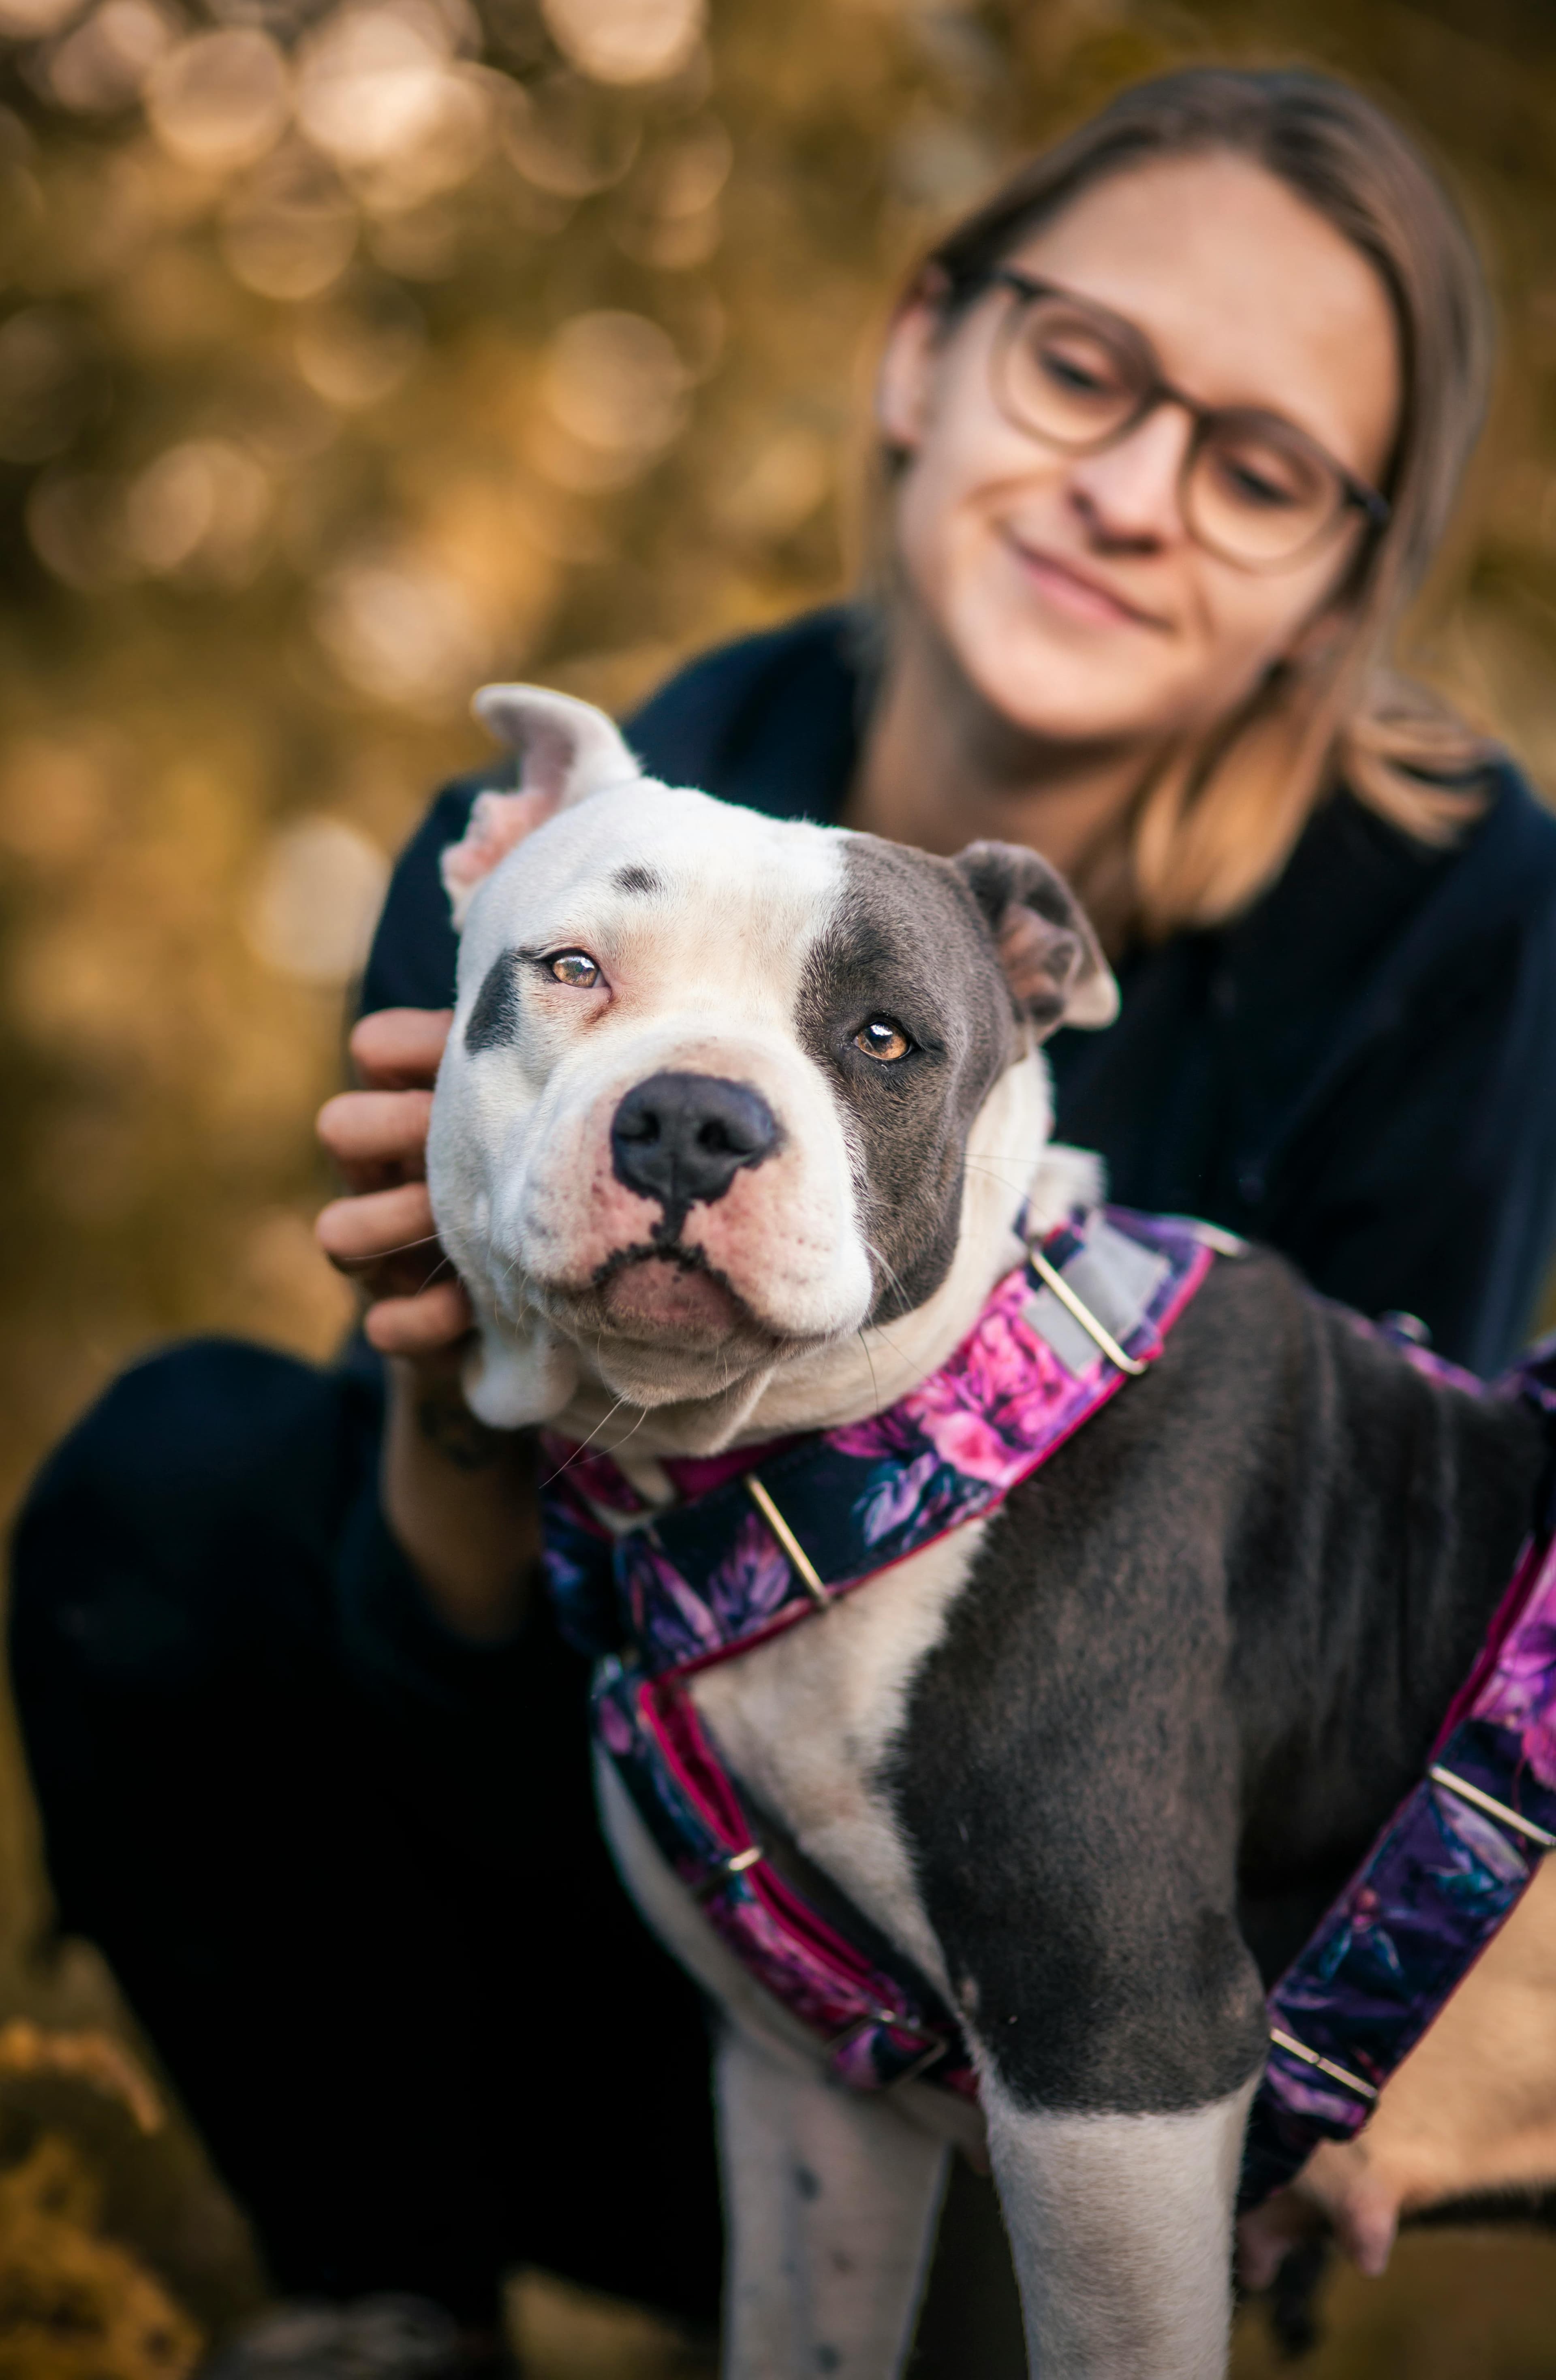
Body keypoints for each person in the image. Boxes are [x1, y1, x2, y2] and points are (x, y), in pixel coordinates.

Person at [12, 63, 1556, 2378]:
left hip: (1122, 1949)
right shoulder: (571, 847)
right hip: (594, 1889)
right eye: (1084, 365)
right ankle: (385, 2312)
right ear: (924, 350)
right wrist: (454, 1390)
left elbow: (1393, 1615)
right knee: (183, 1475)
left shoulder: (1444, 908)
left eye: (1256, 468)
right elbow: (427, 1684)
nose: (1134, 491)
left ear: (1343, 565)